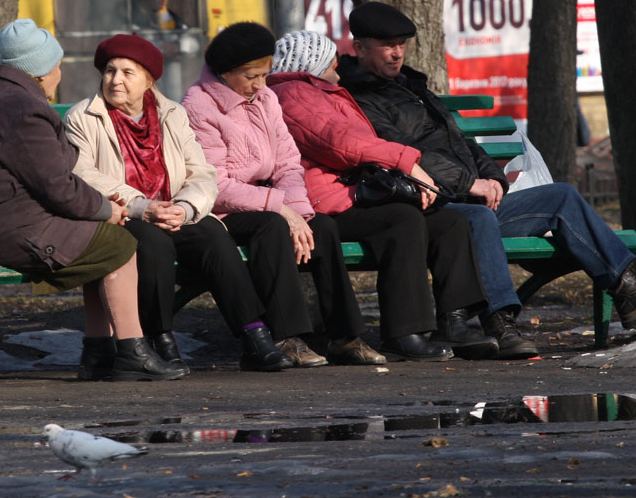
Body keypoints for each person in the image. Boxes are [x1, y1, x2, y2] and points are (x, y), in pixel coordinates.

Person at [336, 1, 636, 357]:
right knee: (478, 218)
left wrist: (494, 179)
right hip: (431, 208)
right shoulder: (359, 99)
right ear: (360, 47)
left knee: (561, 196)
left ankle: (627, 286)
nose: (397, 53)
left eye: (401, 44)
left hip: (471, 197)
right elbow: (407, 154)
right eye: (387, 45)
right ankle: (499, 323)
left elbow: (461, 143)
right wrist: (469, 184)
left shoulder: (412, 87)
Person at [183, 21, 473, 363]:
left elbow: (288, 164)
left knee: (321, 227)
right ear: (225, 72)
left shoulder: (265, 98)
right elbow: (216, 185)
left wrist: (299, 213)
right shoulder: (200, 106)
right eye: (251, 77)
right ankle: (288, 337)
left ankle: (344, 336)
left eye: (263, 74)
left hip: (272, 201)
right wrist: (283, 210)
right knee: (273, 227)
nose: (260, 85)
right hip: (226, 209)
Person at [0, 19, 186, 382]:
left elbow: (57, 173)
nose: (59, 74)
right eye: (58, 65)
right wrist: (107, 210)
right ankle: (132, 351)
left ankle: (98, 353)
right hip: (9, 230)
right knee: (119, 243)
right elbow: (57, 186)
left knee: (96, 241)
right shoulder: (24, 110)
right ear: (42, 71)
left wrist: (102, 209)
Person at [63, 33, 292, 373]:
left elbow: (202, 173)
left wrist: (185, 208)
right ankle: (160, 339)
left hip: (174, 211)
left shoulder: (172, 114)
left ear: (149, 81)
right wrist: (142, 206)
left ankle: (253, 336)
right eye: (110, 71)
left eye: (127, 73)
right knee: (152, 241)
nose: (115, 80)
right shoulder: (83, 117)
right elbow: (84, 176)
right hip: (124, 215)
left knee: (214, 236)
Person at [268, 30, 498, 360]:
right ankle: (404, 333)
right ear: (313, 64)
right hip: (324, 202)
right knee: (401, 221)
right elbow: (340, 143)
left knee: (449, 223)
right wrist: (409, 164)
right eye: (332, 65)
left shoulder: (319, 92)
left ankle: (454, 323)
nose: (338, 73)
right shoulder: (293, 94)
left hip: (351, 193)